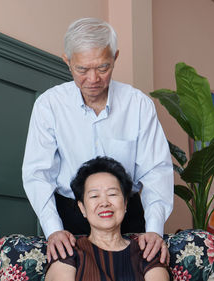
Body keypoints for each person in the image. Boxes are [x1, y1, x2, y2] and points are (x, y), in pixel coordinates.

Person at [22, 17, 173, 264]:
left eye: (103, 67)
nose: (93, 79)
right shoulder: (49, 105)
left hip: (128, 215)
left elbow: (157, 172)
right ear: (67, 61)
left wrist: (154, 230)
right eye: (82, 69)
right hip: (68, 218)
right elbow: (37, 173)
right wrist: (53, 229)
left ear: (115, 57)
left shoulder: (138, 105)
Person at [45, 156, 170, 281]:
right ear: (82, 208)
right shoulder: (68, 253)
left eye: (112, 194)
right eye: (94, 196)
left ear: (125, 203)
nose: (104, 203)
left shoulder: (147, 252)